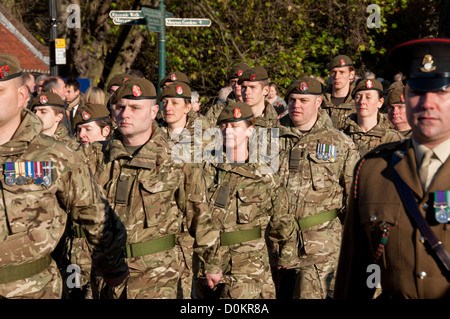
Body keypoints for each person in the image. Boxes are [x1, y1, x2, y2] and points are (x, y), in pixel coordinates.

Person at [0, 53, 128, 299]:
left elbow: (94, 212)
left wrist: (113, 266)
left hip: (31, 289)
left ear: (20, 97)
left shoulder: (55, 154)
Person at [334, 38, 450, 299]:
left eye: (442, 91)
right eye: (418, 91)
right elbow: (354, 278)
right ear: (406, 95)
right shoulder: (373, 171)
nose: (427, 103)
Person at [91, 78, 219, 299]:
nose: (126, 114)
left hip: (156, 277)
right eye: (120, 107)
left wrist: (212, 262)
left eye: (135, 107)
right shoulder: (95, 157)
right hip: (107, 275)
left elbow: (198, 212)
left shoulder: (176, 158)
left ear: (153, 112)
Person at [196, 101, 295, 299]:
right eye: (224, 127)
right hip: (208, 265)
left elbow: (281, 218)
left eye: (235, 127)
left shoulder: (264, 172)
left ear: (250, 131)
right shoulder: (206, 170)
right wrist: (210, 262)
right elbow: (198, 218)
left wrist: (286, 254)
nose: (228, 131)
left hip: (251, 268)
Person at [276, 77, 360, 299]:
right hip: (274, 243)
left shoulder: (339, 143)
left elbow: (355, 198)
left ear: (319, 102)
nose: (296, 106)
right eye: (292, 100)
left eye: (304, 100)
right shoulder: (270, 139)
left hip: (320, 246)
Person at [158, 81, 213, 298]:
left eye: (174, 103)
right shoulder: (154, 137)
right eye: (165, 102)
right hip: (163, 227)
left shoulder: (206, 137)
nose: (168, 107)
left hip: (193, 226)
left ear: (188, 107)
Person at [342, 79, 403, 156]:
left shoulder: (393, 139)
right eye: (358, 97)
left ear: (380, 102)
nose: (362, 102)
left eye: (368, 97)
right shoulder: (342, 135)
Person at [322, 55, 356, 130]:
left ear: (351, 74)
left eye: (342, 72)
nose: (337, 76)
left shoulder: (358, 101)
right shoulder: (320, 100)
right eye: (334, 72)